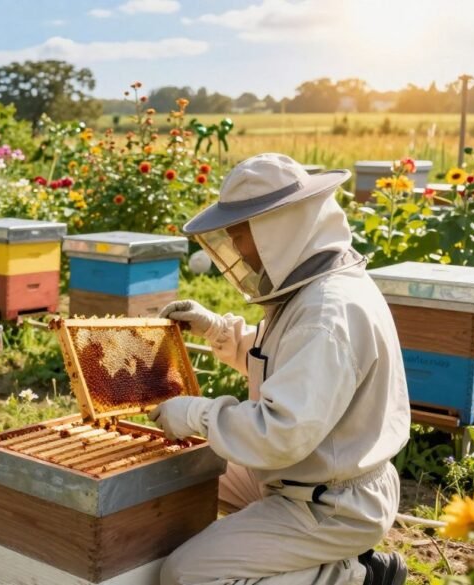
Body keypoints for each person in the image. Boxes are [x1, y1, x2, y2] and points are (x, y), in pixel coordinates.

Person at [150, 153, 411, 585]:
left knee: (186, 575)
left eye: (240, 234)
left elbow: (282, 431)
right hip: (302, 475)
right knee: (178, 476)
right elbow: (287, 365)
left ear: (278, 229)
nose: (235, 249)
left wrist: (196, 414)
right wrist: (219, 331)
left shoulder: (327, 312)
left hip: (332, 504)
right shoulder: (311, 288)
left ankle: (353, 576)